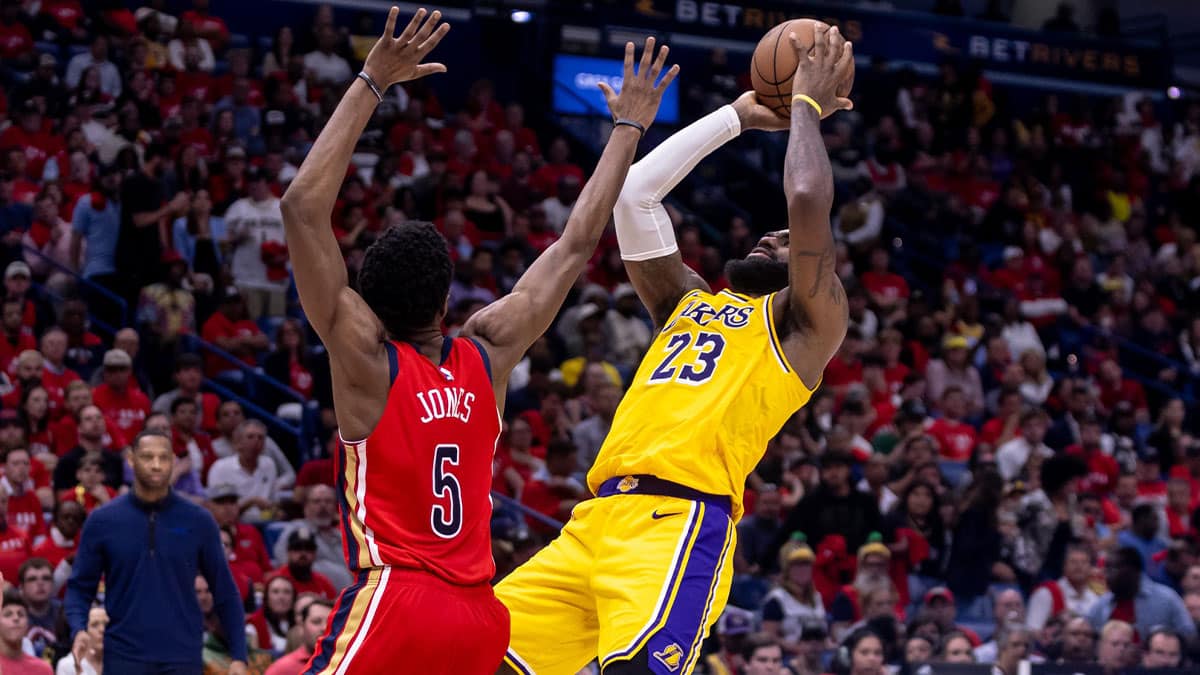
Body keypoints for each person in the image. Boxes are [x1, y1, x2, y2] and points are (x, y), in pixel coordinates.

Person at [280, 9, 677, 674]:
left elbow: (300, 207)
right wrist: (628, 126)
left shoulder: (364, 358)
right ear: (445, 302)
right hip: (480, 615)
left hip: (399, 597)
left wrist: (373, 79)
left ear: (369, 305)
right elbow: (577, 240)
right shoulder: (488, 351)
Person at [496, 24, 854, 674]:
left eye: (783, 242)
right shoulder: (687, 302)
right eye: (768, 235)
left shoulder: (805, 325)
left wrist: (804, 105)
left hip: (678, 520)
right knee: (468, 655)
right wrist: (737, 117)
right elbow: (635, 195)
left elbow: (804, 197)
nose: (769, 238)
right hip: (593, 521)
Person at [65, 431, 247, 674]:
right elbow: (79, 587)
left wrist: (239, 656)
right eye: (148, 457)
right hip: (123, 657)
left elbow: (225, 590)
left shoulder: (199, 520)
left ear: (173, 461)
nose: (156, 465)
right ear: (131, 459)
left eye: (163, 458)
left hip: (183, 656)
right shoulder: (102, 521)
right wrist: (78, 629)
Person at [1086, 547, 1196, 641]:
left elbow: (1189, 636)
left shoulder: (1167, 599)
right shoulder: (1101, 604)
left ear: (1134, 570)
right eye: (1106, 570)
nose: (1107, 576)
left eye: (1112, 569)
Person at [263, 599, 332, 675]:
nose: (324, 628)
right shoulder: (282, 669)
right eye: (316, 622)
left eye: (330, 623)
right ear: (302, 626)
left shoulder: (343, 664)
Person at [0, 590, 53, 674]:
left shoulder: (43, 669)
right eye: (8, 614)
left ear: (27, 624)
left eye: (21, 614)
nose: (16, 618)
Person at [54, 606, 105, 675]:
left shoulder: (121, 660)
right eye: (95, 625)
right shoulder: (68, 665)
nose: (102, 630)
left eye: (106, 624)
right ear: (83, 631)